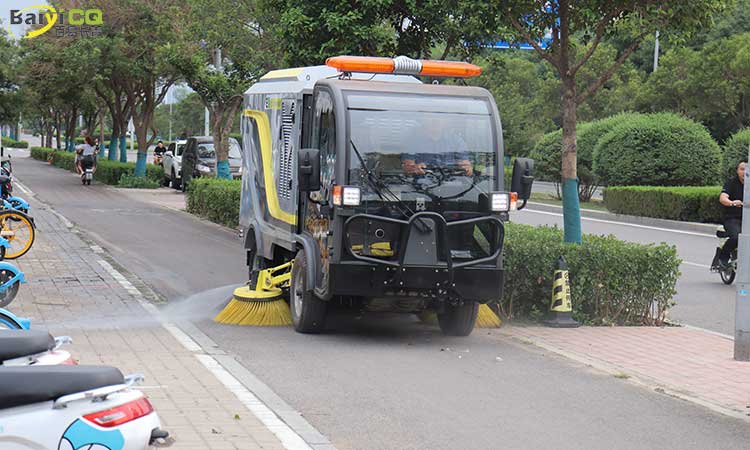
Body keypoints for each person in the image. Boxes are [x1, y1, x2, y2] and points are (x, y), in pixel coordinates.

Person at [401, 117, 473, 176]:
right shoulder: (413, 142)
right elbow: (407, 168)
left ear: (446, 122)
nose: (436, 120)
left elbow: (466, 165)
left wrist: (466, 168)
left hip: (451, 184)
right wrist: (414, 168)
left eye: (440, 117)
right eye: (431, 116)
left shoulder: (456, 141)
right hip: (421, 186)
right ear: (424, 120)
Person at [718, 161, 746, 267]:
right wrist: (732, 203)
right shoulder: (731, 183)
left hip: (747, 219)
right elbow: (723, 198)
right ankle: (723, 257)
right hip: (732, 218)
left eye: (747, 169)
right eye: (742, 169)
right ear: (737, 171)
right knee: (736, 237)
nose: (745, 172)